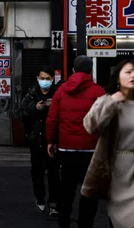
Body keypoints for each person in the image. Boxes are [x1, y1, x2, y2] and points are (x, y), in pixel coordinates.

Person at [46, 56, 104, 228]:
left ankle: (63, 223)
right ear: (91, 71)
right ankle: (85, 224)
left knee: (66, 190)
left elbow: (52, 120)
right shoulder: (98, 92)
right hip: (91, 150)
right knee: (89, 193)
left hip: (66, 148)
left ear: (73, 70)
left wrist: (51, 141)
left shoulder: (62, 90)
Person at [82, 59, 134, 228]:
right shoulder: (107, 100)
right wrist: (112, 102)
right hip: (118, 168)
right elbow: (91, 125)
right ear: (118, 78)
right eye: (128, 72)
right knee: (123, 219)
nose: (133, 75)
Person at [16, 66, 60, 216]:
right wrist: (35, 108)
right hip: (36, 141)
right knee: (37, 171)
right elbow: (20, 114)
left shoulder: (58, 94)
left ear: (53, 79)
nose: (45, 82)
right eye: (42, 78)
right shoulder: (31, 94)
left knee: (54, 172)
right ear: (37, 78)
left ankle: (54, 203)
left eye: (48, 79)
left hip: (54, 140)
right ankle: (40, 198)